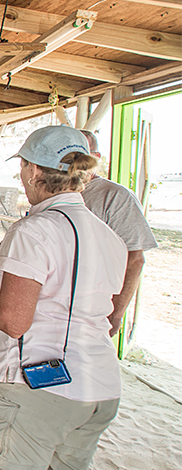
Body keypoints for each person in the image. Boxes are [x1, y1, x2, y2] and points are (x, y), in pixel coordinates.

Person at [0, 125, 126, 470]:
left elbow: (13, 322)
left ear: (33, 171)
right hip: (99, 387)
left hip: (34, 388)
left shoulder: (34, 231)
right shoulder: (108, 236)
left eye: (22, 168)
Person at [80, 130, 158, 336]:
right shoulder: (59, 193)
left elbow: (135, 259)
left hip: (94, 307)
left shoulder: (115, 197)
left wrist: (116, 313)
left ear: (95, 158)